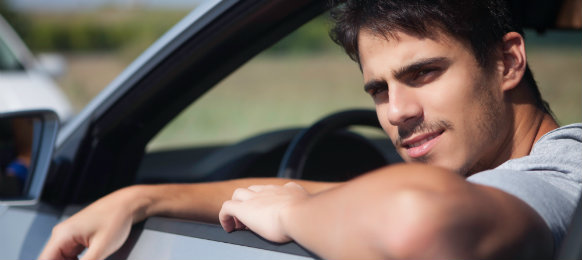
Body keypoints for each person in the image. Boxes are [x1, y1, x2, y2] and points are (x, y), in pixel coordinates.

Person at [40, 0, 581, 259]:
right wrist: (146, 197)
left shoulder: (563, 168)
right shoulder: (497, 179)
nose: (396, 112)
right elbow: (346, 197)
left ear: (508, 63)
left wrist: (290, 214)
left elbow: (423, 221)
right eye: (378, 89)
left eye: (423, 73)